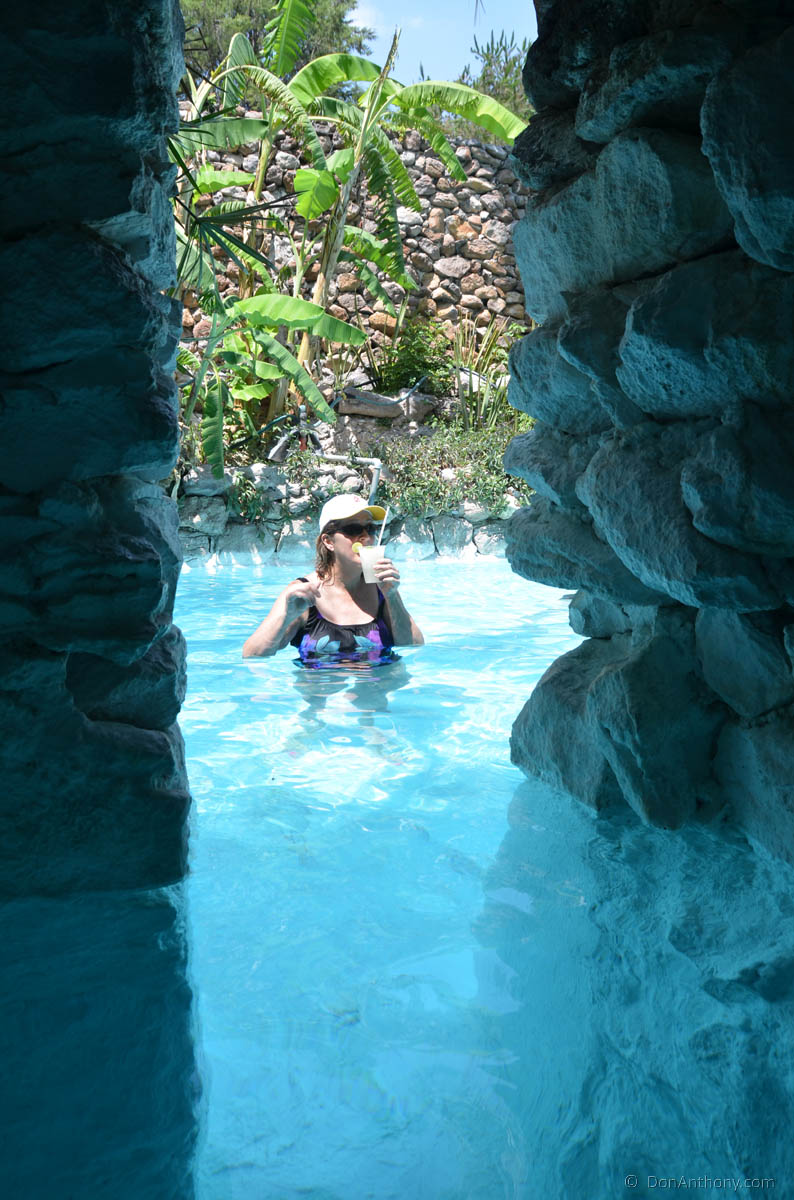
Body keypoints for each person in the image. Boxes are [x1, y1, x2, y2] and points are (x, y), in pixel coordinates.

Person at [242, 495, 424, 666]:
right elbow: (252, 655)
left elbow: (413, 645)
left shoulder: (382, 588)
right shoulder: (303, 592)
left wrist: (392, 596)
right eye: (353, 529)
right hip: (323, 684)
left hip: (376, 684)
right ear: (328, 541)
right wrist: (286, 617)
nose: (366, 537)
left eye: (370, 529)